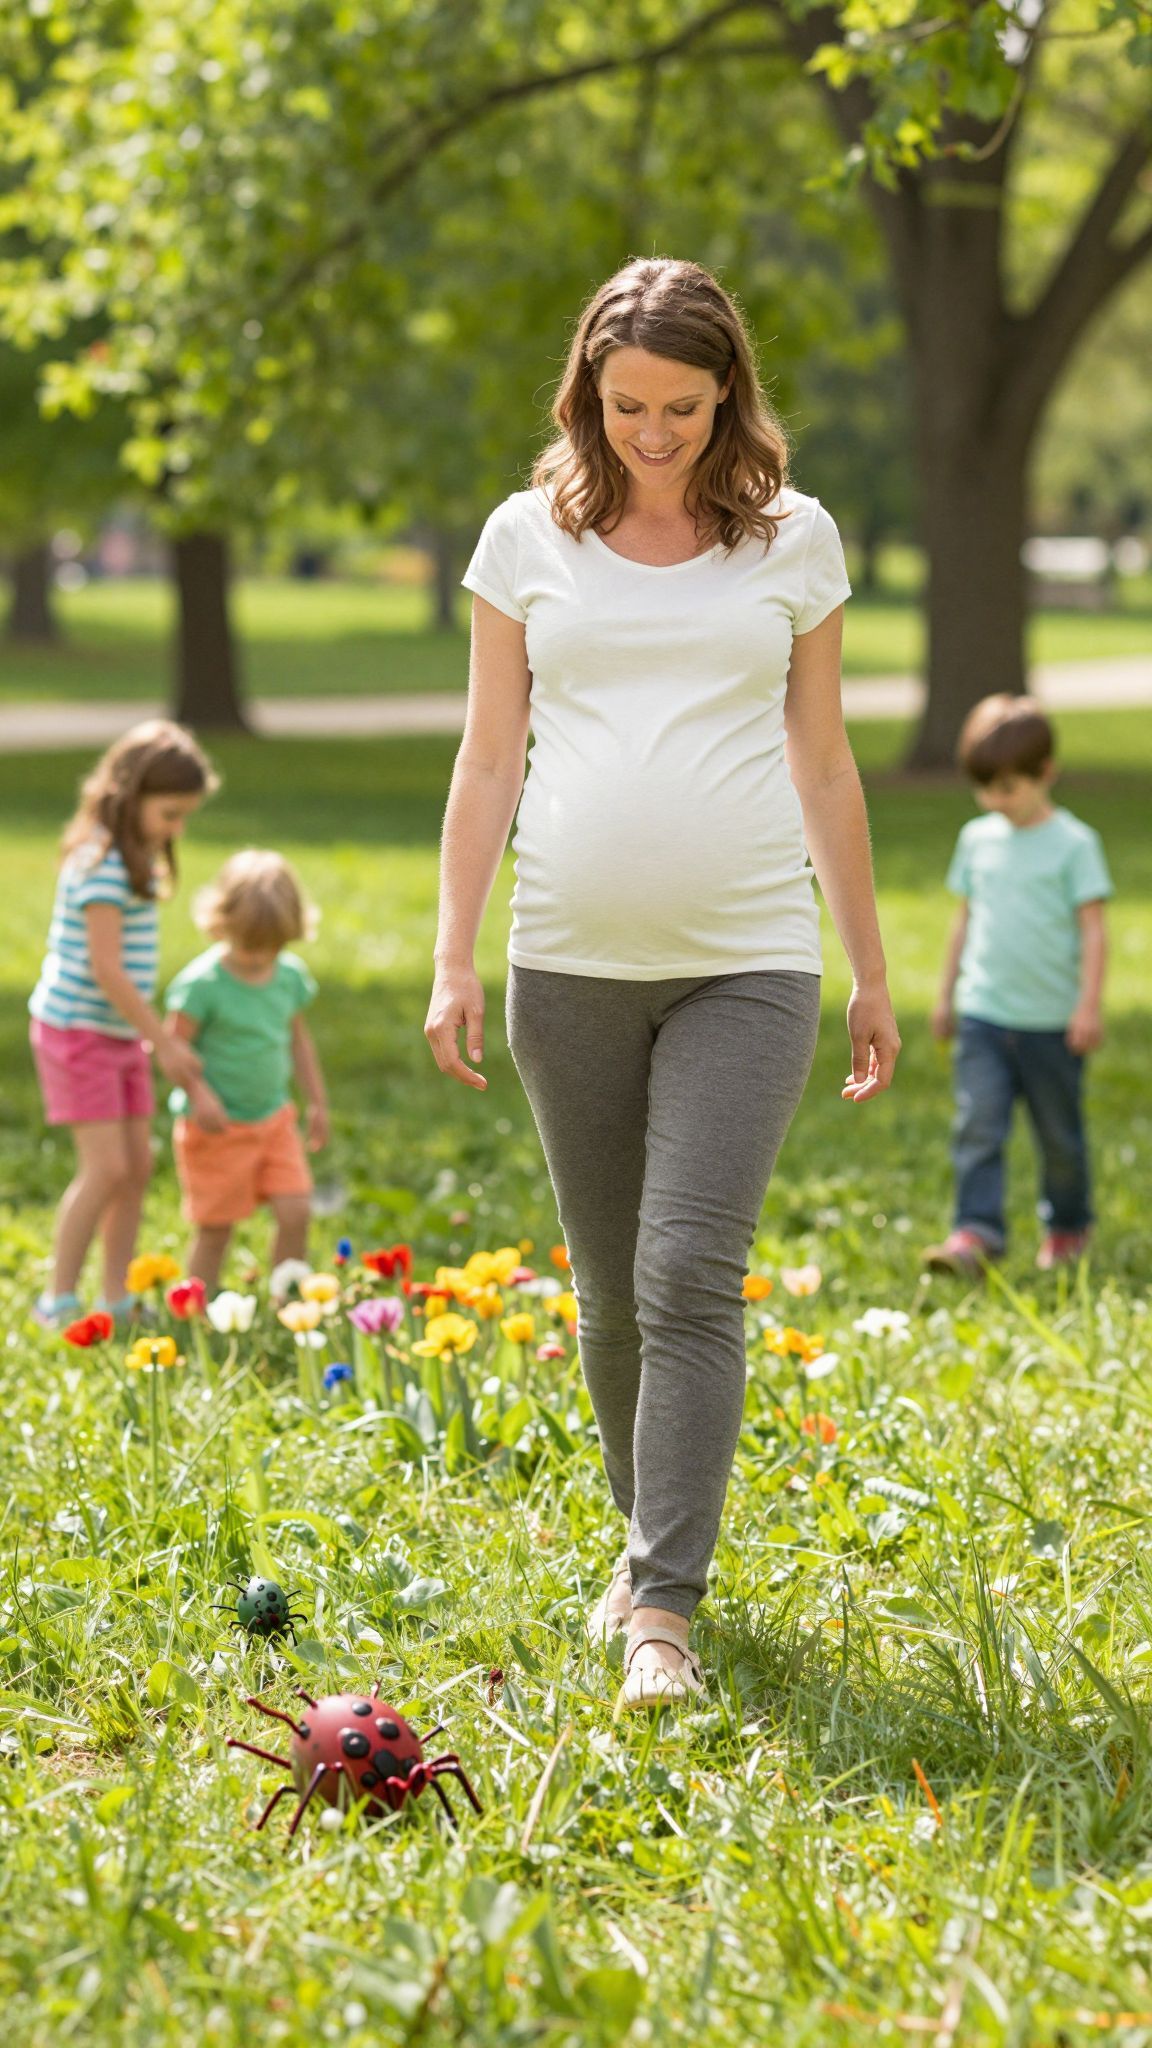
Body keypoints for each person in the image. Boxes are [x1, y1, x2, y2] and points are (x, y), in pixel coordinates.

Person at [425, 257, 900, 1709]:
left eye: (681, 407)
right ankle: (647, 1550)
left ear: (726, 393)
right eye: (626, 404)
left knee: (689, 1270)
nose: (652, 431)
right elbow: (488, 757)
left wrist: (872, 970)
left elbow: (825, 759)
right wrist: (450, 954)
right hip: (566, 962)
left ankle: (664, 1616)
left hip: (749, 960)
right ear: (588, 393)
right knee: (611, 1291)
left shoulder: (794, 540)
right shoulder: (525, 537)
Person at [28, 720, 217, 1328]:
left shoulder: (135, 854)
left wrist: (145, 1037)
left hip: (118, 1032)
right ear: (130, 796)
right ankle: (58, 1298)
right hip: (78, 1032)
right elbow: (105, 968)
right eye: (169, 814)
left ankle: (117, 1294)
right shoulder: (102, 861)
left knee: (135, 1168)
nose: (176, 829)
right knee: (106, 1167)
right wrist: (164, 1043)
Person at [922, 695, 1111, 1277]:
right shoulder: (977, 839)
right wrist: (946, 994)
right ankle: (976, 1231)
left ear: (1045, 772)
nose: (993, 800)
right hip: (984, 1014)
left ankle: (1068, 1226)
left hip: (1051, 1023)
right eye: (983, 787)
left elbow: (1094, 930)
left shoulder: (1074, 844)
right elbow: (964, 920)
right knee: (977, 1126)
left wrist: (1087, 1006)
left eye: (1007, 787)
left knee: (1059, 1138)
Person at [163, 849, 329, 1293]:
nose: (258, 958)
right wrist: (199, 1094)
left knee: (296, 1210)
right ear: (221, 924)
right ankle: (197, 1309)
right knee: (216, 1229)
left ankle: (287, 1298)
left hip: (274, 1119)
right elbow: (171, 1049)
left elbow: (298, 1041)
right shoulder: (202, 985)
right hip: (215, 1129)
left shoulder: (289, 977)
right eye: (248, 946)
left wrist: (316, 1102)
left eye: (271, 948)